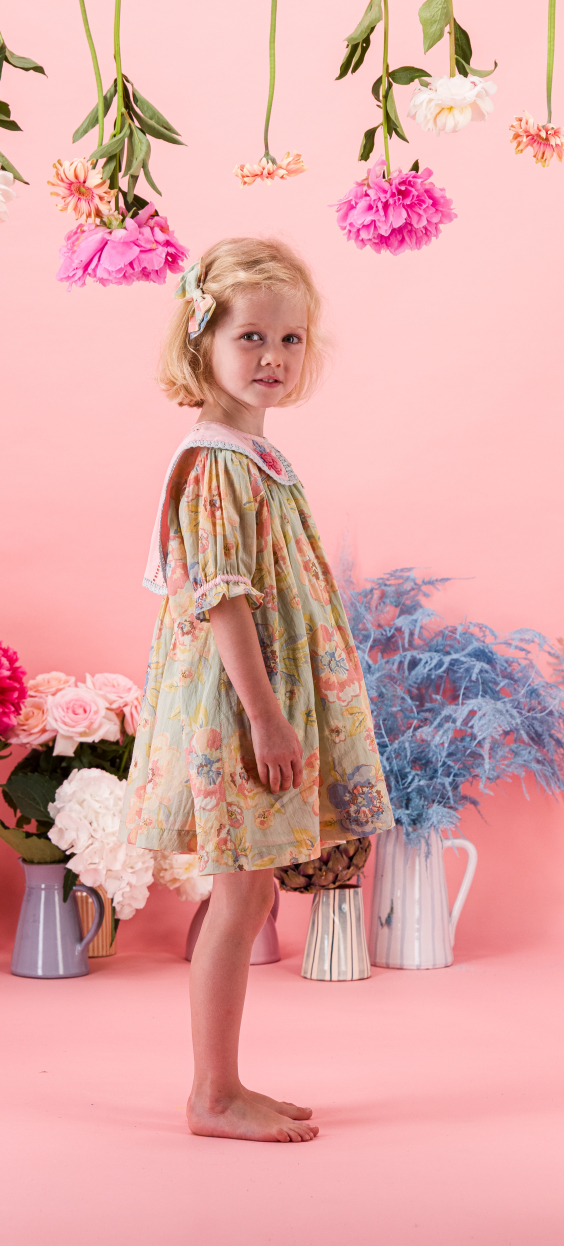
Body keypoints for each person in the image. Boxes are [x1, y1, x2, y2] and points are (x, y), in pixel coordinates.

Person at [121, 237, 394, 1143]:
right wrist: (268, 718)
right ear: (201, 340)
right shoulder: (217, 463)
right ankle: (213, 1094)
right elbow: (222, 599)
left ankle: (226, 1083)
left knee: (250, 896)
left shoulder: (254, 455)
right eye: (250, 337)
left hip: (260, 701)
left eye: (290, 338)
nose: (272, 356)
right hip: (242, 709)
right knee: (240, 900)